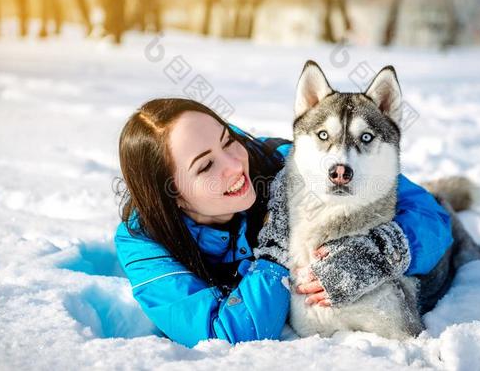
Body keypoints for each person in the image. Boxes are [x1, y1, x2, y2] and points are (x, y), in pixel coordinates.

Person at [113, 98, 452, 348]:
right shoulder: (144, 241)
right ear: (172, 194)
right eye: (205, 166)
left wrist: (380, 252)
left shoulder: (285, 162)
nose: (234, 164)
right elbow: (223, 335)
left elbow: (428, 212)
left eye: (228, 140)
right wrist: (276, 252)